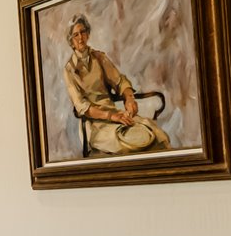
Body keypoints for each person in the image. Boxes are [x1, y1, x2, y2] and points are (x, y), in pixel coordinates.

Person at [62, 13, 170, 155]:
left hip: (118, 115)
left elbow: (120, 81)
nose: (80, 38)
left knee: (157, 134)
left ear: (88, 34)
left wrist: (129, 98)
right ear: (71, 41)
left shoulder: (99, 58)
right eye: (75, 35)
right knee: (135, 144)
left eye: (82, 32)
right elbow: (82, 107)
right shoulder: (69, 70)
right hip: (95, 125)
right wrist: (112, 116)